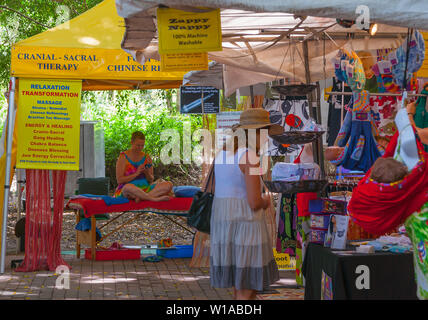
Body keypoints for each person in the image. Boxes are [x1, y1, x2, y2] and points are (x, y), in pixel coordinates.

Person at [210, 108, 281, 300]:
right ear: (256, 133)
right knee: (248, 286)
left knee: (238, 284)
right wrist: (267, 201)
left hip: (223, 223)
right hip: (245, 225)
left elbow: (221, 190)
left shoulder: (222, 154)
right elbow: (254, 201)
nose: (267, 139)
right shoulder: (250, 157)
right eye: (265, 133)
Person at [114, 131, 172, 202]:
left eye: (142, 145)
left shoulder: (147, 157)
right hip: (130, 190)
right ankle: (152, 198)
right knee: (127, 187)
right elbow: (119, 180)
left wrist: (146, 172)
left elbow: (151, 180)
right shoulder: (123, 157)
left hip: (145, 189)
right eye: (138, 145)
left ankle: (141, 198)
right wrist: (136, 173)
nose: (140, 148)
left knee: (168, 185)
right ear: (131, 142)